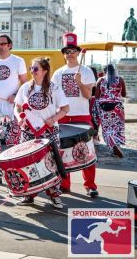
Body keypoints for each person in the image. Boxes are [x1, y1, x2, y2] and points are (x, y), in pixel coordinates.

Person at [14, 57, 69, 209]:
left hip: (49, 131)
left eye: (35, 68)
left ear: (44, 71)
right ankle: (28, 194)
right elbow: (17, 106)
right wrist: (19, 118)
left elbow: (65, 108)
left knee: (50, 163)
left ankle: (54, 195)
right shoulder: (25, 87)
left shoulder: (54, 88)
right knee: (28, 162)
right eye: (31, 68)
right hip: (28, 131)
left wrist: (54, 118)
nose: (32, 71)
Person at [52, 32, 99, 198]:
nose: (69, 54)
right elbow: (54, 97)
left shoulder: (86, 71)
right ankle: (65, 185)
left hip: (82, 116)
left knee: (86, 152)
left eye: (72, 51)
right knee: (63, 153)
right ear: (63, 54)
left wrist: (79, 82)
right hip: (64, 117)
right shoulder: (57, 73)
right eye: (66, 51)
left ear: (78, 52)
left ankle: (90, 186)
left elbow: (88, 95)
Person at [0, 34, 27, 185]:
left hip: (12, 107)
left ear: (10, 45)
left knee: (12, 140)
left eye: (3, 44)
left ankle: (14, 175)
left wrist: (15, 95)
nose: (0, 46)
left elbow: (25, 84)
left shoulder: (18, 61)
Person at [95, 64, 126, 158]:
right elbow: (124, 94)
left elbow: (97, 95)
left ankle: (113, 146)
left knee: (106, 129)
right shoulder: (120, 79)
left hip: (104, 107)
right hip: (117, 107)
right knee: (118, 127)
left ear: (104, 71)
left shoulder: (100, 80)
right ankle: (117, 145)